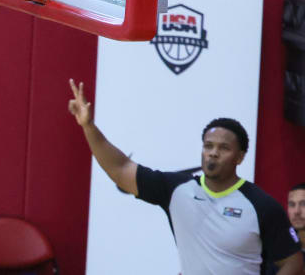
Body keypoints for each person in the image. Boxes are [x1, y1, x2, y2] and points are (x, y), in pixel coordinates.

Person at [67, 79, 303, 275]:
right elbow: (120, 168)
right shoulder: (176, 190)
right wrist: (88, 126)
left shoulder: (261, 205)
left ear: (239, 157)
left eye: (223, 148)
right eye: (208, 145)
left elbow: (293, 263)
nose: (213, 152)